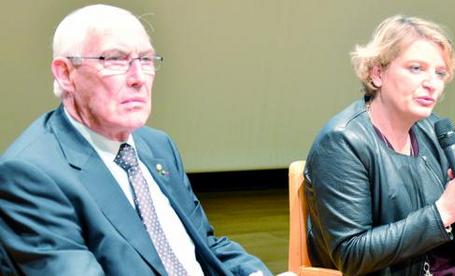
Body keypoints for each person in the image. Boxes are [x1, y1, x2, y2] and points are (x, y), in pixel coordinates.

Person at [0, 4, 271, 275]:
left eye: (145, 60)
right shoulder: (31, 175)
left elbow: (205, 246)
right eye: (116, 60)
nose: (139, 78)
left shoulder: (157, 146)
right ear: (66, 73)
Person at [304, 15, 455, 276]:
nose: (432, 83)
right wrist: (442, 212)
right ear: (378, 73)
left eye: (440, 73)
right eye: (416, 68)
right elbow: (351, 255)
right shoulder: (342, 141)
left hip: (441, 269)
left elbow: (453, 239)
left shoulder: (432, 130)